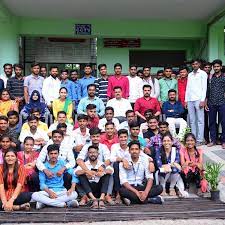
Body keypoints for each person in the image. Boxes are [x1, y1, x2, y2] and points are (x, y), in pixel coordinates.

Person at [32, 144, 79, 209]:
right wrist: (50, 192)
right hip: (48, 191)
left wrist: (72, 188)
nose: (53, 156)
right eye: (51, 154)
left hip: (61, 190)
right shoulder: (43, 167)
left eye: (55, 153)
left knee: (74, 194)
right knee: (34, 195)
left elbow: (74, 173)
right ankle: (63, 204)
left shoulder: (62, 163)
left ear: (58, 154)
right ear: (48, 154)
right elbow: (42, 184)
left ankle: (46, 203)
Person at [119, 140, 163, 205]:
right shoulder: (123, 162)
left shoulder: (145, 160)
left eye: (136, 149)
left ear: (140, 151)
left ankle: (133, 200)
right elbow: (124, 182)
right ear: (129, 151)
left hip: (141, 186)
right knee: (122, 191)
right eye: (132, 149)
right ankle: (150, 200)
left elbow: (150, 178)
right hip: (130, 188)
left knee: (159, 188)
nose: (134, 151)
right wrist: (137, 192)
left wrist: (145, 192)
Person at [76, 127, 111, 205]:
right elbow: (79, 160)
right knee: (77, 174)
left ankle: (107, 195)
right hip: (89, 169)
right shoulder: (86, 146)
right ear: (90, 137)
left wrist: (103, 167)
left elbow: (109, 159)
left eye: (97, 136)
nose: (95, 138)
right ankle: (84, 196)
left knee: (109, 173)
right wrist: (87, 171)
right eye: (93, 136)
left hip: (100, 169)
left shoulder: (103, 147)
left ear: (100, 137)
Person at [75, 145, 114, 209]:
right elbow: (76, 172)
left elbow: (111, 170)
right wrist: (86, 172)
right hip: (88, 189)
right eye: (90, 152)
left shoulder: (102, 164)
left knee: (107, 175)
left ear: (98, 154)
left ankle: (101, 198)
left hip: (99, 188)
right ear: (87, 154)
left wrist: (103, 172)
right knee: (81, 175)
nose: (93, 154)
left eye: (94, 152)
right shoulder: (84, 164)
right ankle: (93, 199)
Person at [185, 59, 208, 145]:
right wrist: (186, 100)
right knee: (192, 120)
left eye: (196, 64)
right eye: (193, 64)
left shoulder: (203, 73)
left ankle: (200, 139)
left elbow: (204, 88)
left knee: (200, 120)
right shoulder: (190, 74)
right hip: (190, 99)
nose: (194, 65)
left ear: (199, 65)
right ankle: (193, 139)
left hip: (199, 99)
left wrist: (202, 100)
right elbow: (188, 88)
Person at [206, 59, 225, 148]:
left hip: (222, 103)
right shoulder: (210, 78)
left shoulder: (224, 76)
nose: (216, 68)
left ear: (221, 67)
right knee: (212, 122)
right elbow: (207, 91)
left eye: (218, 66)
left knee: (224, 122)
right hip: (211, 103)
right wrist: (206, 103)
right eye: (215, 67)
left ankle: (223, 141)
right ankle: (213, 140)